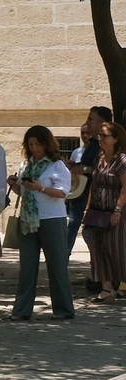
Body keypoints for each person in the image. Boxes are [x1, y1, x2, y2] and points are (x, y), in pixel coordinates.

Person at [7, 125, 75, 322]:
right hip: (28, 219)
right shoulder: (26, 165)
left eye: (38, 144)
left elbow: (62, 193)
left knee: (56, 265)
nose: (35, 148)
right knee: (27, 266)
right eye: (31, 144)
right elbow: (25, 192)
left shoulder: (57, 165)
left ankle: (63, 309)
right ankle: (21, 310)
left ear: (47, 144)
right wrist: (15, 184)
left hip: (51, 218)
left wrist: (41, 188)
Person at [82, 121, 126, 302]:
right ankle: (106, 289)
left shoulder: (122, 160)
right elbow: (94, 184)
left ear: (115, 139)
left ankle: (122, 285)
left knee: (116, 249)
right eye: (99, 135)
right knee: (99, 249)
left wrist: (117, 210)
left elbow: (125, 188)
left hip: (115, 212)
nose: (100, 139)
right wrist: (87, 208)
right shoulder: (99, 159)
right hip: (97, 212)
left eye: (104, 136)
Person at [66, 105, 109, 283]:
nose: (88, 122)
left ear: (102, 122)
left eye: (91, 119)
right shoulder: (92, 144)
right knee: (86, 234)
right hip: (82, 195)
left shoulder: (105, 144)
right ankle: (98, 277)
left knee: (94, 236)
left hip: (100, 198)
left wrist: (82, 169)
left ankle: (103, 279)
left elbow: (105, 168)